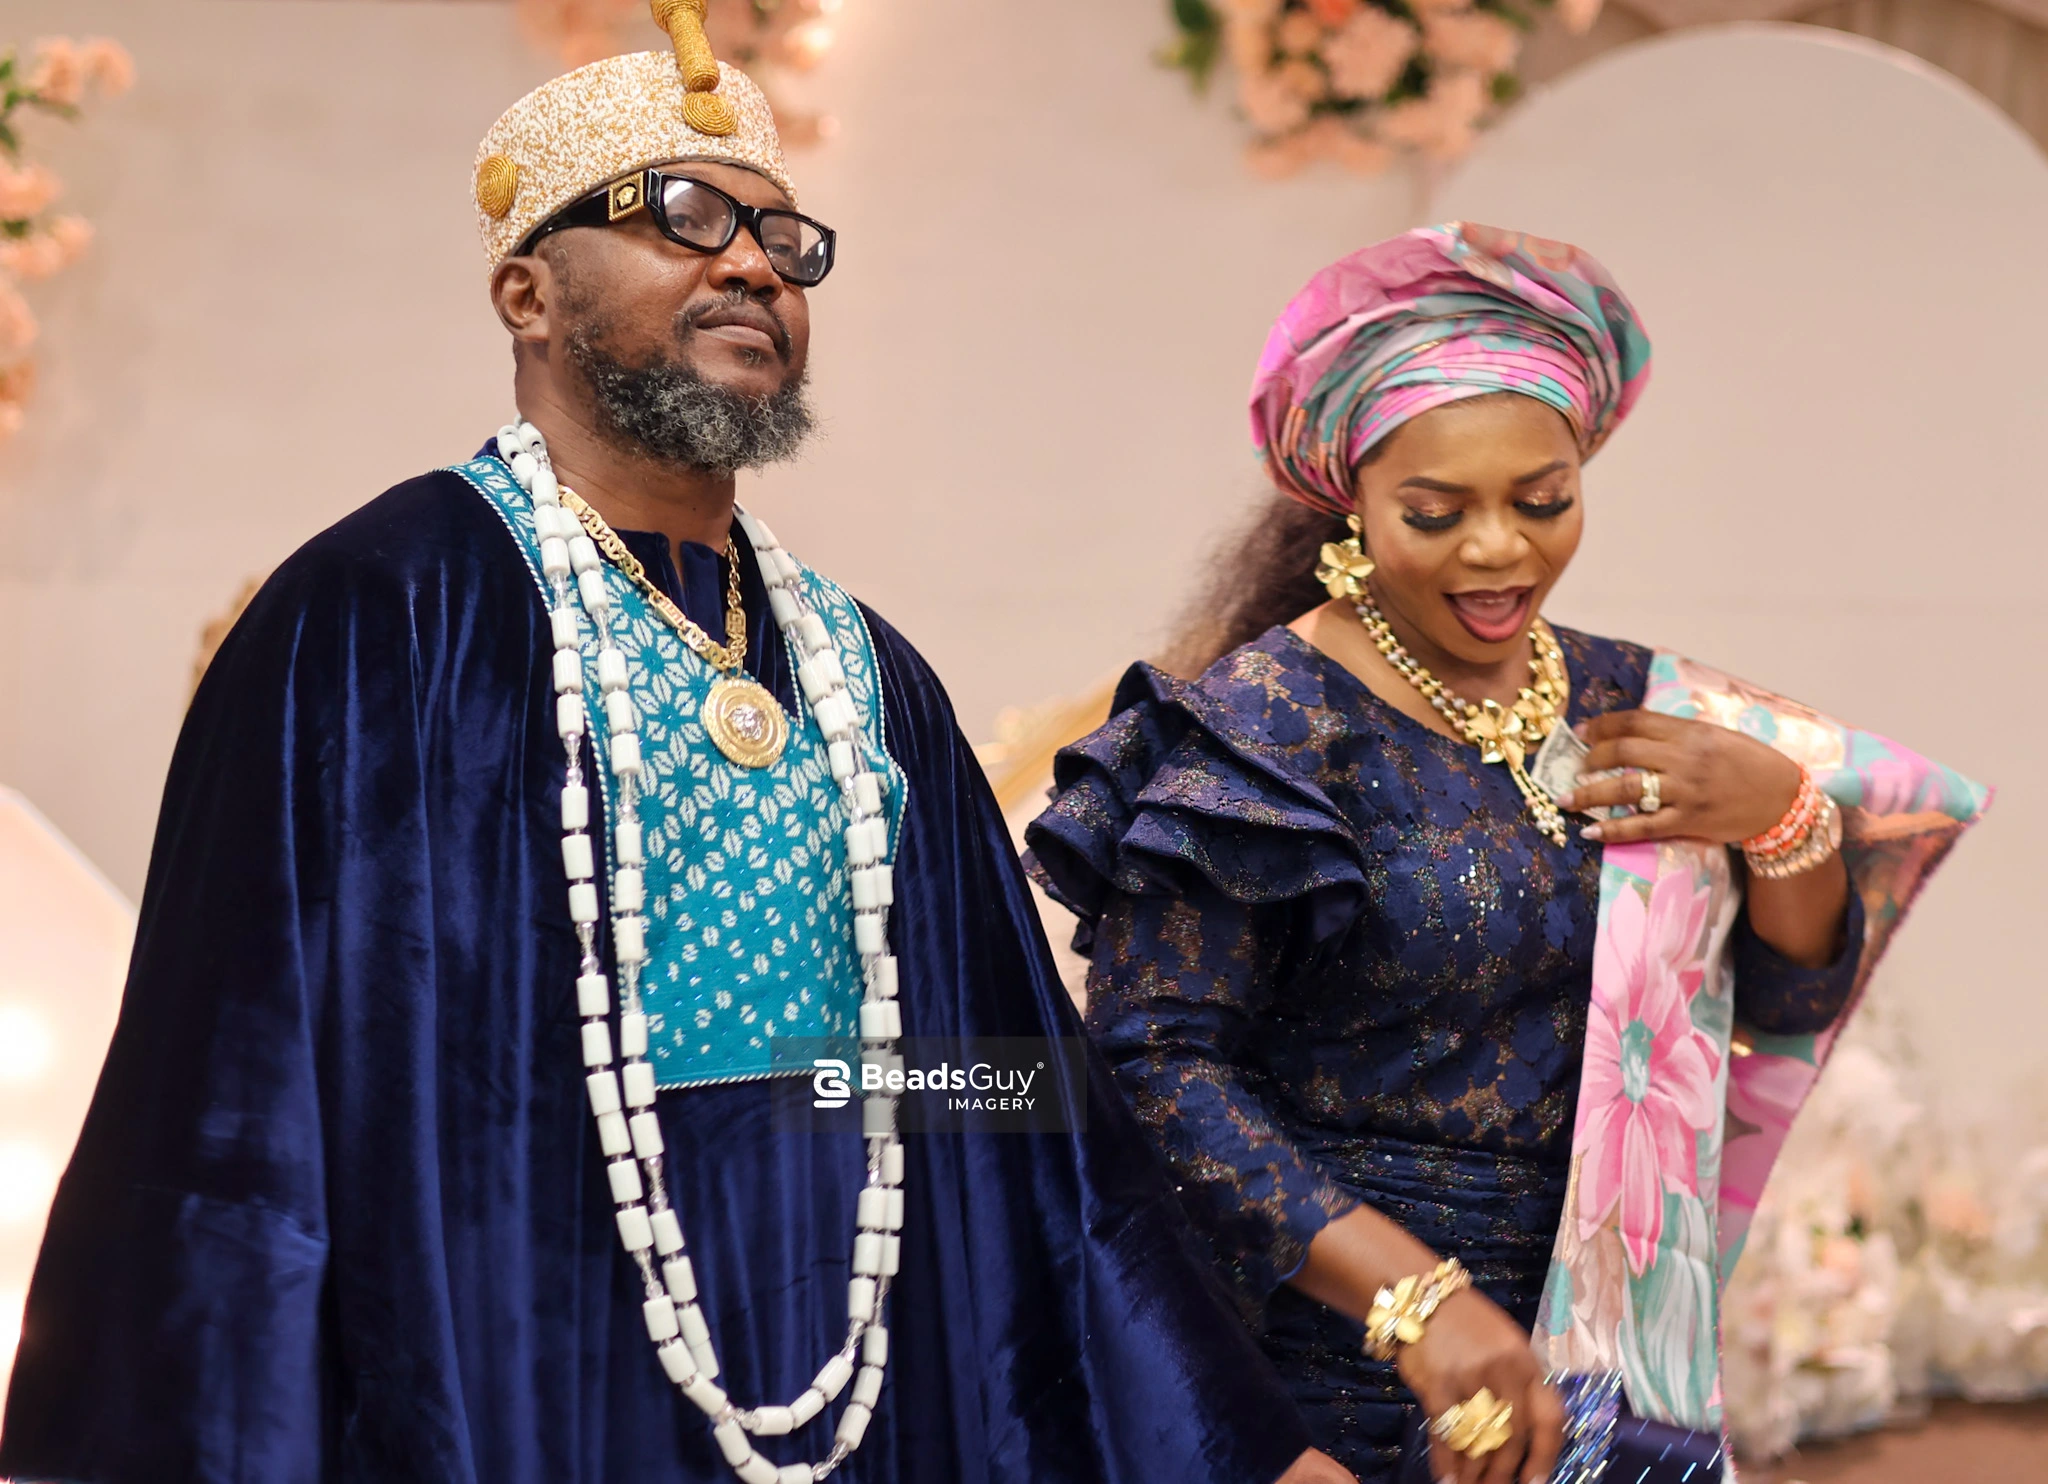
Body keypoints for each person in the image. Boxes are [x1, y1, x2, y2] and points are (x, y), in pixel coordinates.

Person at [0, 13, 1351, 1484]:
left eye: (785, 236)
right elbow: (237, 1098)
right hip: (515, 1347)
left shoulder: (865, 673)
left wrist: (1238, 1440)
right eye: (687, 219)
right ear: (527, 290)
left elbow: (1003, 1092)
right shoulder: (383, 612)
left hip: (859, 1349)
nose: (756, 263)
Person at [1025, 223, 1987, 1484]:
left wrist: (1781, 818)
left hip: (1593, 1344)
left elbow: (1781, 1004)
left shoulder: (1625, 694)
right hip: (1319, 1345)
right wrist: (1412, 1300)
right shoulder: (1264, 726)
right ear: (1349, 499)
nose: (1499, 549)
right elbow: (1156, 1064)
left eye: (1543, 500)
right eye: (1436, 512)